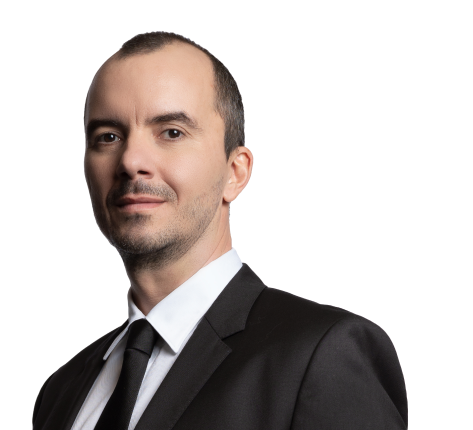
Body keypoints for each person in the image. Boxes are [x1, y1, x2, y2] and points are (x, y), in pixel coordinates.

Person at [32, 31, 408, 430]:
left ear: (235, 172)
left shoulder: (323, 355)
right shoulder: (60, 393)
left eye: (172, 132)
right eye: (108, 136)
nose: (131, 161)